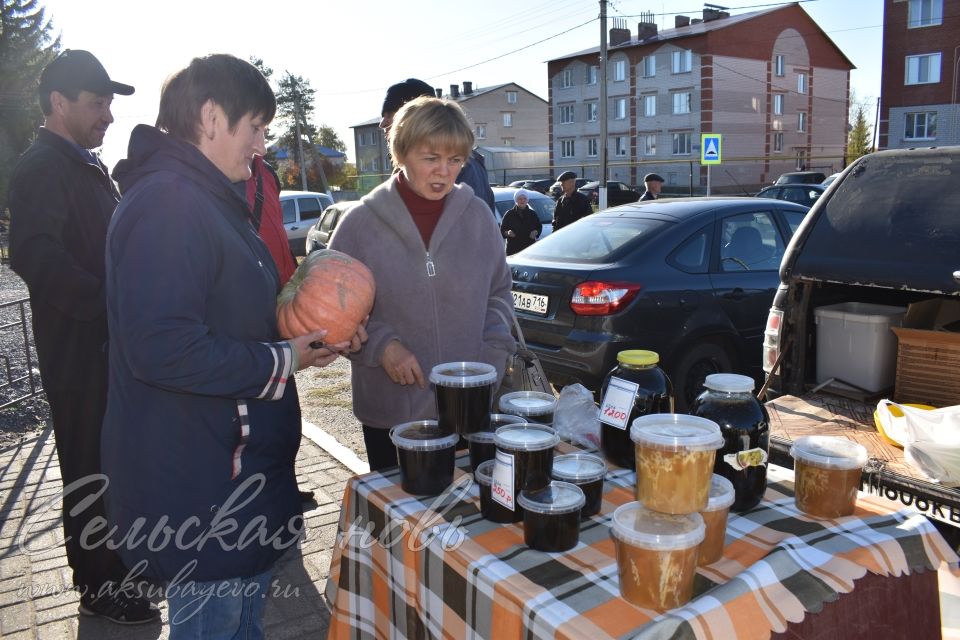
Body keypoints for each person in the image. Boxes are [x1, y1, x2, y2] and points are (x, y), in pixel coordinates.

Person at [101, 54, 363, 638]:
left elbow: (234, 316)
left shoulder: (210, 198)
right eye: (256, 127)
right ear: (211, 117)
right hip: (202, 492)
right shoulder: (167, 204)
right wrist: (284, 359)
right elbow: (161, 347)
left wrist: (314, 334)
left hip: (235, 481)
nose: (262, 145)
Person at [7, 49, 159, 625]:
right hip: (79, 354)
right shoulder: (42, 167)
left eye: (109, 105)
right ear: (58, 103)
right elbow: (34, 254)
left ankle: (122, 562)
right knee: (89, 468)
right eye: (98, 105)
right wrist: (109, 304)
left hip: (108, 350)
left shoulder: (84, 165)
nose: (108, 117)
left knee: (115, 461)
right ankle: (98, 584)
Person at [330, 96, 514, 471]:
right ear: (401, 152)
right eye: (430, 158)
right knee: (402, 525)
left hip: (469, 409)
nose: (444, 172)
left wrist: (491, 360)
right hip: (393, 416)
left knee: (465, 521)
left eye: (455, 160)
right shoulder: (359, 224)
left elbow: (499, 294)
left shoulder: (478, 217)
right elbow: (334, 313)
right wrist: (381, 348)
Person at [380, 78, 496, 214]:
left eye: (389, 115)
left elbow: (471, 229)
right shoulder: (405, 169)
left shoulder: (465, 166)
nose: (382, 123)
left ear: (411, 117)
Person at [500, 188, 541, 255]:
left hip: (529, 248)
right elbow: (502, 230)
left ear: (527, 200)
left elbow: (539, 227)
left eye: (524, 198)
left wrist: (536, 232)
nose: (522, 200)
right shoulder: (509, 214)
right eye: (520, 198)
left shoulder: (532, 214)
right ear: (516, 200)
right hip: (513, 249)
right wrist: (508, 233)